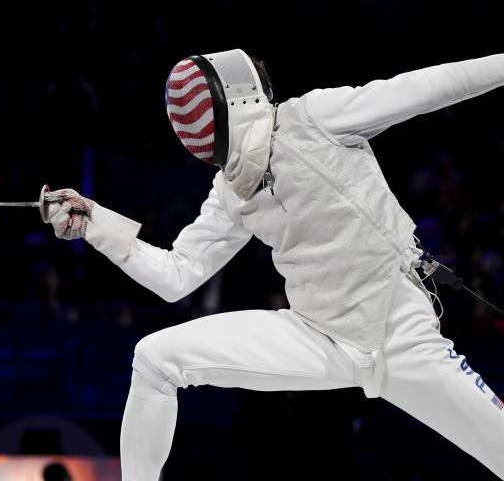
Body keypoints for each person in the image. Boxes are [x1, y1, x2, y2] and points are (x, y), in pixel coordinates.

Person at [43, 48, 504, 480]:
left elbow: (438, 84)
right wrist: (96, 225)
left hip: (399, 332)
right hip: (318, 336)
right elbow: (175, 275)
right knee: (155, 359)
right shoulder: (230, 190)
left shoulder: (315, 117)